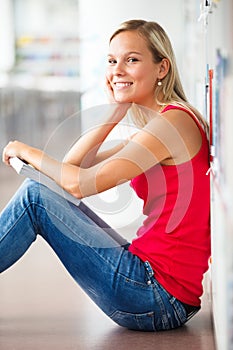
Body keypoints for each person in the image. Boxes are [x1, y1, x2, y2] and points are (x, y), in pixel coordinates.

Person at [0, 19, 210, 331]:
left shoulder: (172, 125)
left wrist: (24, 149)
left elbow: (78, 185)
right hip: (157, 286)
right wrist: (115, 109)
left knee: (34, 198)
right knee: (41, 192)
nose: (118, 70)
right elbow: (74, 168)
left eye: (132, 59)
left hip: (156, 293)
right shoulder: (161, 125)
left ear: (162, 68)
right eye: (112, 61)